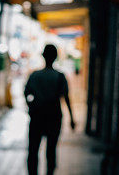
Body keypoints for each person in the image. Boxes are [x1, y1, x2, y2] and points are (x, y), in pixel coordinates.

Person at [24, 44, 75, 175]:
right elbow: (66, 97)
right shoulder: (60, 76)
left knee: (33, 150)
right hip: (54, 117)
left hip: (37, 117)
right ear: (55, 57)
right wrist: (72, 118)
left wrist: (31, 106)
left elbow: (26, 93)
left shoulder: (35, 75)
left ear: (43, 56)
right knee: (51, 151)